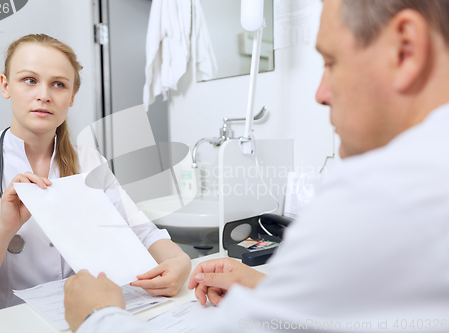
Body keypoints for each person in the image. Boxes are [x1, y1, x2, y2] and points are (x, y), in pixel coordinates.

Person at [63, 0, 449, 332]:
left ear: (405, 49)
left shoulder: (385, 194)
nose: (320, 93)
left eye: (331, 62)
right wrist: (269, 293)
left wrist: (98, 316)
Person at [0, 33, 191, 322]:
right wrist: (4, 228)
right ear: (5, 85)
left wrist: (179, 262)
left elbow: (141, 230)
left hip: (83, 322)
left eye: (58, 84)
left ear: (72, 96)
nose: (44, 95)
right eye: (29, 80)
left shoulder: (90, 161)